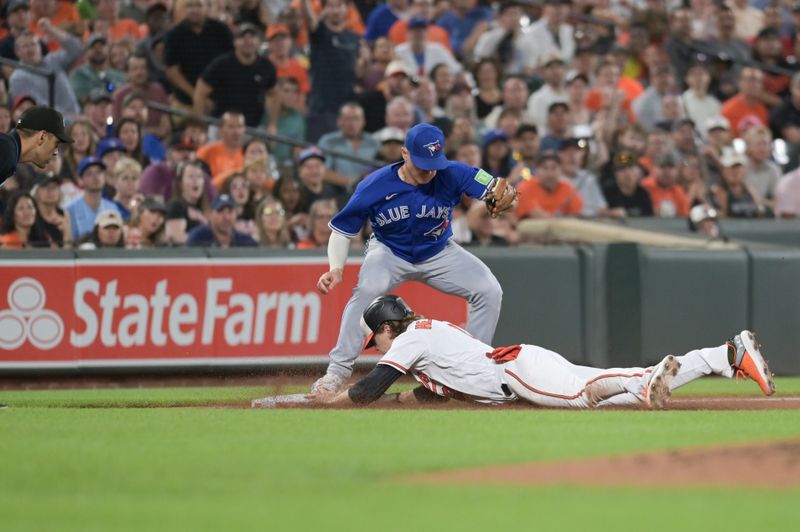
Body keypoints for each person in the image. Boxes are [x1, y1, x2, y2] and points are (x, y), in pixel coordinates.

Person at [311, 122, 516, 394]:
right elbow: (341, 231)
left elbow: (495, 187)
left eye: (434, 163)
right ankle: (336, 372)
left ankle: (471, 369)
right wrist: (336, 269)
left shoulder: (452, 172)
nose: (430, 171)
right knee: (366, 292)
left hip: (439, 251)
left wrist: (507, 195)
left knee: (489, 291)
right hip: (389, 251)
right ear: (404, 154)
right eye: (422, 163)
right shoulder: (375, 184)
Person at [309, 295, 776, 407]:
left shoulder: (409, 339)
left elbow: (372, 385)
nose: (379, 346)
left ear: (388, 326)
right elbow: (437, 391)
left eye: (377, 338)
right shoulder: (428, 331)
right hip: (524, 362)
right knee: (620, 400)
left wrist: (335, 402)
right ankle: (725, 355)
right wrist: (404, 402)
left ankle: (644, 382)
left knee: (582, 398)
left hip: (516, 373)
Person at [194, 23, 277, 127]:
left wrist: (272, 124)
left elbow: (273, 94)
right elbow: (201, 91)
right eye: (243, 37)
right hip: (221, 126)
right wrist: (201, 122)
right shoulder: (221, 64)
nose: (248, 41)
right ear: (235, 42)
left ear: (259, 42)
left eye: (252, 37)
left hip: (252, 128)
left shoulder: (266, 66)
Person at [301, 0, 361, 142]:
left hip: (347, 108)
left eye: (339, 6)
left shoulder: (353, 38)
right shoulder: (319, 32)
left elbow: (358, 72)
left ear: (347, 9)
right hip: (322, 108)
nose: (335, 10)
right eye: (331, 6)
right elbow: (309, 20)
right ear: (324, 10)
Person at [163, 0, 233, 111]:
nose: (194, 10)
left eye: (199, 5)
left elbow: (232, 62)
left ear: (207, 8)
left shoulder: (222, 31)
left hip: (220, 100)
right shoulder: (174, 35)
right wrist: (197, 95)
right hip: (185, 101)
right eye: (190, 6)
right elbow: (172, 72)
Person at [8, 23, 83, 115]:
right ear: (17, 52)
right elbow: (37, 107)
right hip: (51, 124)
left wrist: (52, 30)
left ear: (40, 47)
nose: (30, 49)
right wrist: (69, 118)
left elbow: (77, 50)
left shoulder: (53, 60)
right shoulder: (17, 78)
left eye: (33, 44)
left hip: (77, 117)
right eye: (25, 46)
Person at [0, 106, 73, 186]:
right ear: (42, 137)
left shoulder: (10, 149)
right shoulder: (6, 150)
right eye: (55, 144)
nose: (55, 152)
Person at [65, 156, 122, 240]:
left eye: (99, 172)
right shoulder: (70, 209)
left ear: (104, 176)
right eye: (89, 174)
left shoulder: (112, 207)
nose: (95, 177)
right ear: (80, 180)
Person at [515, 150, 583, 219]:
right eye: (545, 168)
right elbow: (534, 214)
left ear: (561, 170)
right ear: (537, 170)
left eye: (554, 168)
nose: (549, 173)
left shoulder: (567, 188)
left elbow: (577, 213)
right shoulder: (525, 187)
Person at [68, 33, 126, 105]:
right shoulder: (78, 74)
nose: (98, 50)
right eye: (94, 47)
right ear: (86, 52)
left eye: (102, 46)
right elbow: (81, 99)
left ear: (108, 50)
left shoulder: (119, 75)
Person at [164, 160, 211, 245]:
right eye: (190, 177)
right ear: (180, 183)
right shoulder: (176, 206)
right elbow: (176, 237)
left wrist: (204, 221)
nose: (195, 180)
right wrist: (205, 242)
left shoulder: (206, 208)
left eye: (199, 177)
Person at [186, 193, 258, 247]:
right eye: (220, 211)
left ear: (236, 215)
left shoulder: (245, 241)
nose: (226, 217)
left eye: (230, 212)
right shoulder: (198, 237)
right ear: (210, 214)